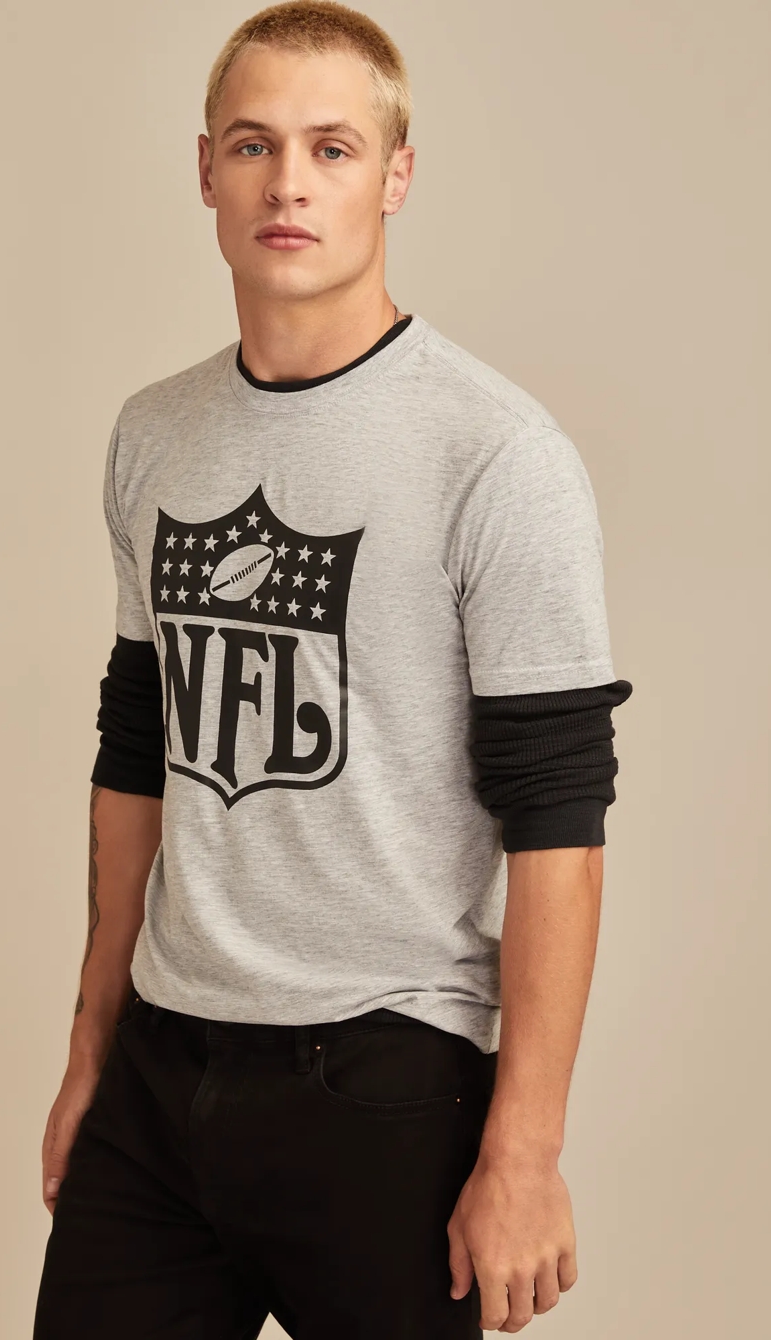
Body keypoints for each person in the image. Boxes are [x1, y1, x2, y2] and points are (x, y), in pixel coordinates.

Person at [32, 3, 632, 1336]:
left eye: (332, 147)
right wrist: (89, 1057)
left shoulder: (497, 456)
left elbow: (557, 817)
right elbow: (138, 749)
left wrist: (523, 1152)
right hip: (160, 1073)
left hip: (384, 1082)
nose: (288, 184)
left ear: (396, 175)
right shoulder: (153, 434)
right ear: (206, 171)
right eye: (253, 145)